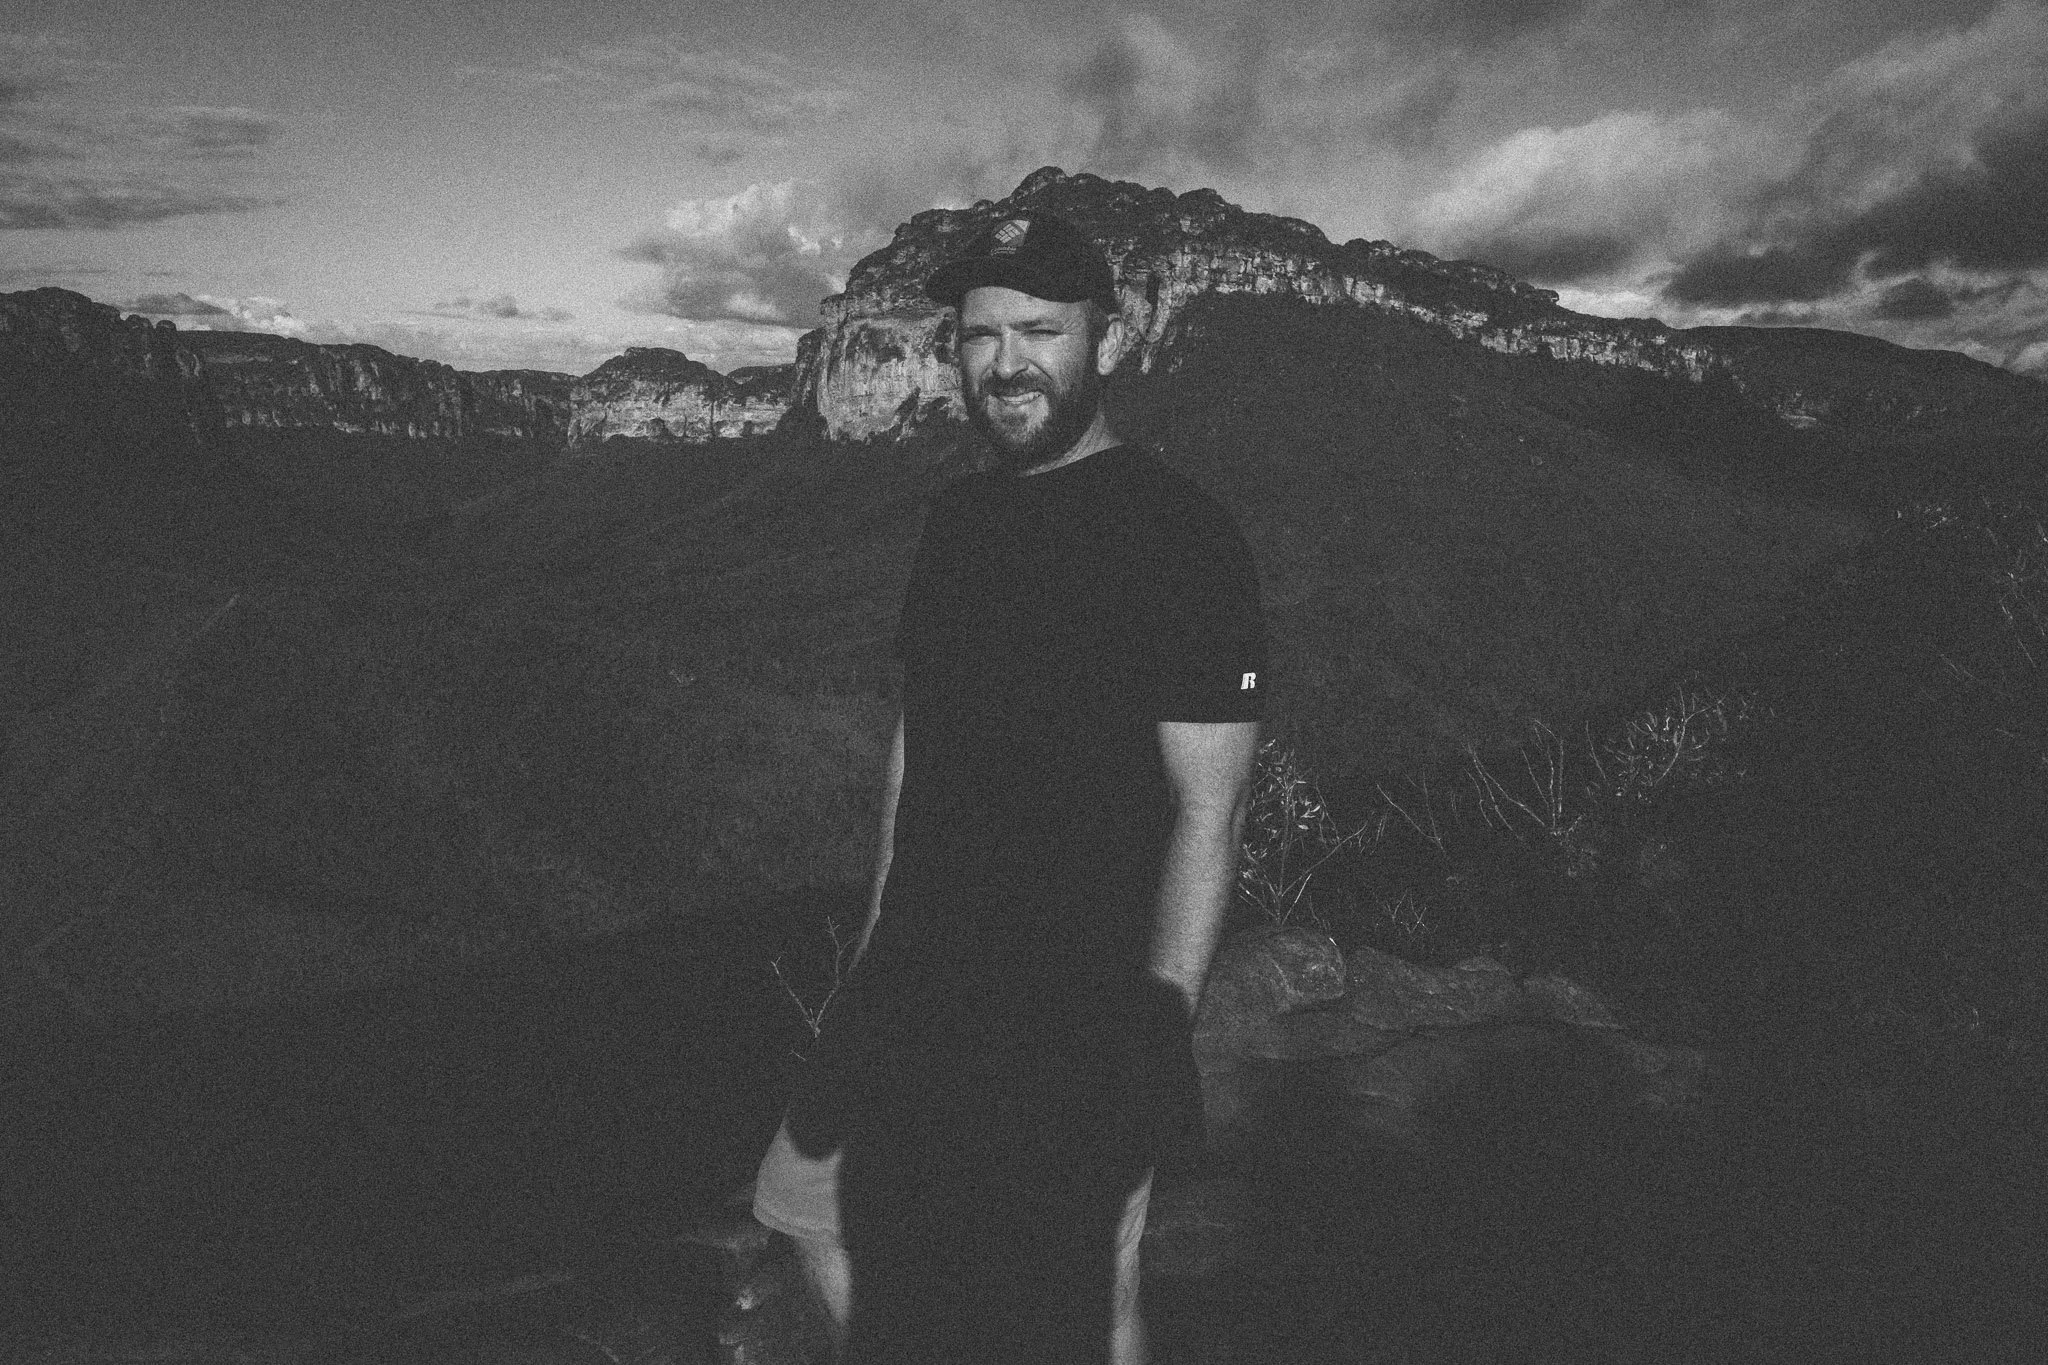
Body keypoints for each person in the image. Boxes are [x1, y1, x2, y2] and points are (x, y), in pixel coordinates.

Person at [750, 210, 1268, 1364]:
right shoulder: (961, 520)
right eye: (981, 336)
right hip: (916, 980)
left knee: (1078, 1298)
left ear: (1109, 341)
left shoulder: (1182, 537)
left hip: (1071, 1002)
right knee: (804, 1208)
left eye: (1039, 332)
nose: (1004, 363)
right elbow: (916, 745)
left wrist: (1155, 1029)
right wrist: (870, 956)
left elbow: (1210, 810)